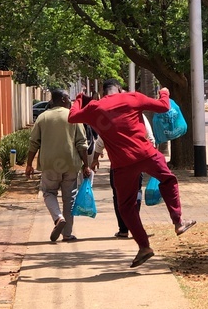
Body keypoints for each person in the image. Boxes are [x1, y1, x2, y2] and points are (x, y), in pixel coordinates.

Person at [69, 79, 196, 268]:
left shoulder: (94, 108)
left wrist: (79, 98)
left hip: (121, 165)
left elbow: (72, 117)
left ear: (104, 93)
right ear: (120, 89)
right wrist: (164, 91)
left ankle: (144, 246)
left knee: (125, 207)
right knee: (168, 180)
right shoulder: (132, 97)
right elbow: (163, 106)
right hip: (146, 154)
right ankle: (178, 222)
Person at [25, 89, 92, 242]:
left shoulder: (42, 118)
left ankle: (58, 218)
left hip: (49, 164)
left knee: (49, 193)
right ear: (62, 99)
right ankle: (67, 234)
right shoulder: (73, 117)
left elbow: (33, 143)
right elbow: (82, 144)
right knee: (70, 199)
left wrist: (29, 164)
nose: (71, 101)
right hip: (70, 164)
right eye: (69, 98)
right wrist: (85, 166)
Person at [93, 114, 155, 238]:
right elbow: (151, 139)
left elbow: (101, 141)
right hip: (137, 162)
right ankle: (134, 227)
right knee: (136, 192)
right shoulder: (139, 115)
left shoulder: (110, 117)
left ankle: (123, 229)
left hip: (118, 165)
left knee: (118, 196)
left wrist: (95, 159)